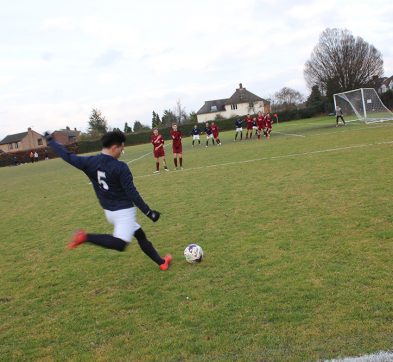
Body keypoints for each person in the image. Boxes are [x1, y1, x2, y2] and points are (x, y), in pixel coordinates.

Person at [44, 130, 172, 271]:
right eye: (121, 149)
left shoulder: (90, 162)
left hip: (109, 212)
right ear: (114, 147)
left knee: (140, 234)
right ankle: (85, 237)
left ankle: (161, 262)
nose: (121, 152)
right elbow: (132, 193)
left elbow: (67, 156)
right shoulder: (120, 167)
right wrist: (149, 213)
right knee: (121, 244)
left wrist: (51, 142)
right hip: (124, 212)